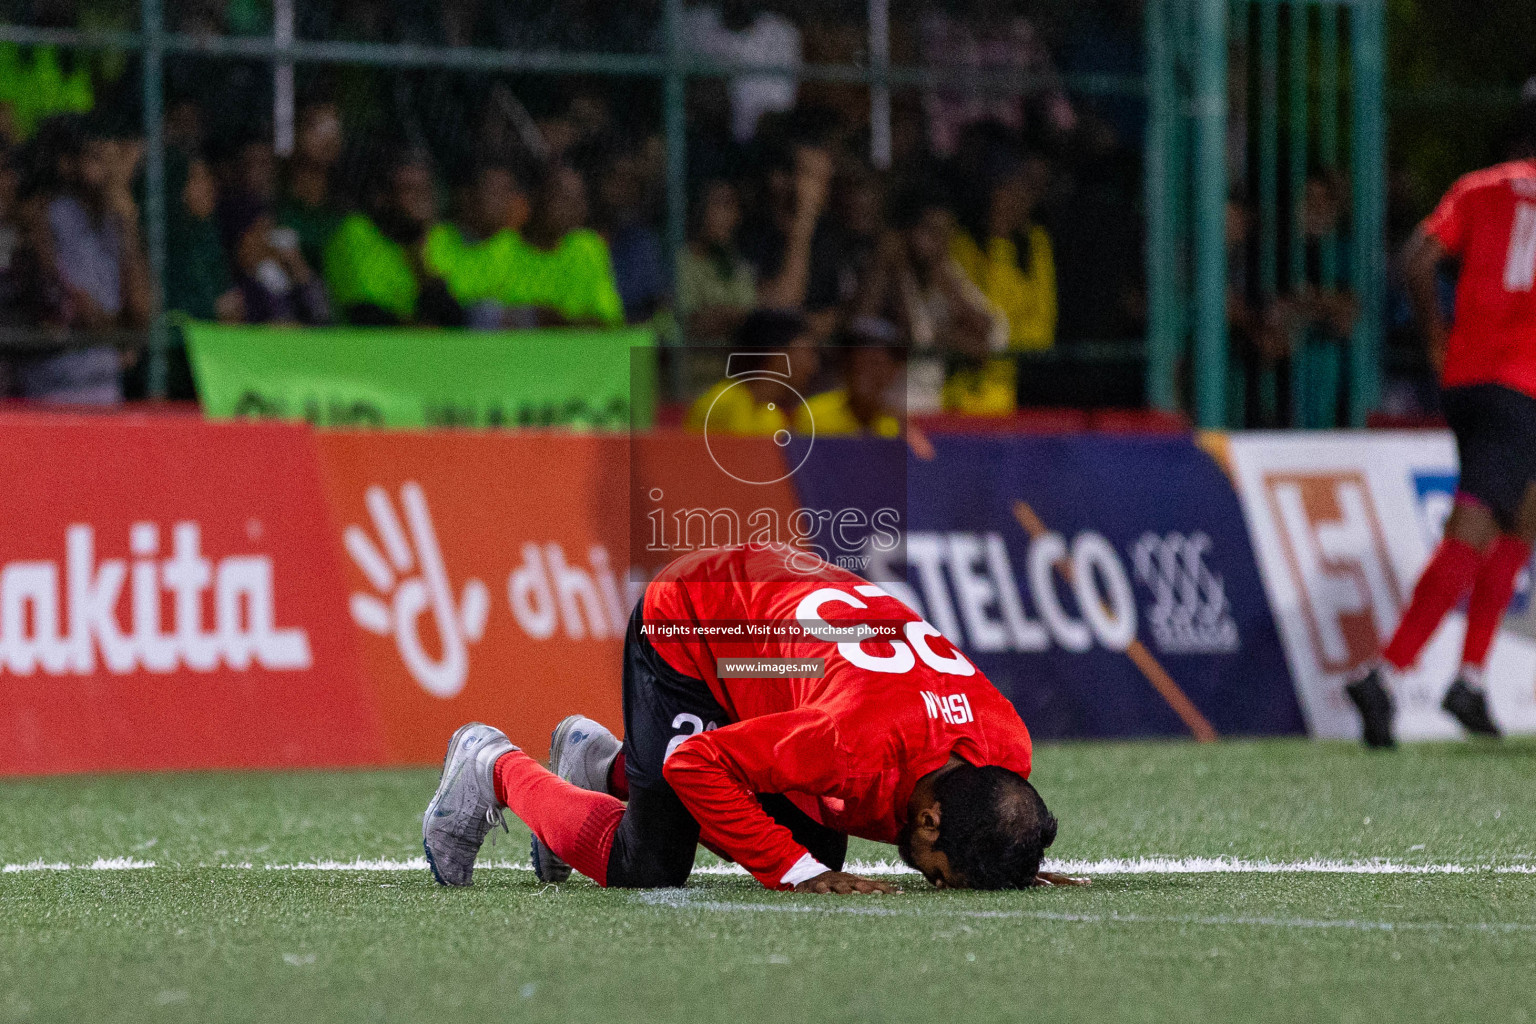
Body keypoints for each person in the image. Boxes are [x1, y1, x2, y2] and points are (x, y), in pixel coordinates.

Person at [423, 542, 1082, 893]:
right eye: (939, 874)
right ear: (933, 820)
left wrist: (1006, 860)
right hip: (699, 623)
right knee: (649, 864)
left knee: (818, 840)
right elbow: (695, 764)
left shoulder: (1005, 750)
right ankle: (491, 765)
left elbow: (980, 814)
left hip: (775, 639)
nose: (930, 882)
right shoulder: (848, 742)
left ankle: (606, 767)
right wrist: (793, 874)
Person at [1345, 100, 1536, 747]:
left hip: (1467, 376)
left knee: (1523, 517)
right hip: (1522, 387)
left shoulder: (1478, 189)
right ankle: (1385, 674)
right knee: (1476, 525)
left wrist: (1435, 335)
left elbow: (1418, 259)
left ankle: (1472, 679)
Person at [20, 117, 150, 404]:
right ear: (68, 164)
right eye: (97, 157)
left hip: (105, 387)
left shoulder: (115, 218)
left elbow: (142, 312)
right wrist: (121, 334)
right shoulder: (49, 216)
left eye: (113, 156)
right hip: (54, 389)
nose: (110, 168)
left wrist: (128, 222)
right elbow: (82, 311)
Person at [857, 188, 1008, 414]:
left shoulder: (945, 274)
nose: (940, 241)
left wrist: (951, 294)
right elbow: (914, 335)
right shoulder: (883, 272)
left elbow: (996, 334)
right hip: (882, 409)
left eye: (946, 233)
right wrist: (893, 267)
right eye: (931, 231)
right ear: (907, 232)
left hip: (929, 407)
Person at [948, 148, 1057, 414]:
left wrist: (1002, 337)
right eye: (1004, 190)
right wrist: (998, 240)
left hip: (1014, 393)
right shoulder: (960, 246)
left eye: (1021, 189)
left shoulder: (1037, 242)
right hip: (961, 392)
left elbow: (1042, 334)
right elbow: (986, 316)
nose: (1015, 199)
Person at [323, 147, 462, 326]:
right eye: (409, 190)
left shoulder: (439, 236)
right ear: (382, 198)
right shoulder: (356, 233)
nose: (420, 200)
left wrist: (421, 262)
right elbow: (366, 316)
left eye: (425, 190)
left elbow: (455, 319)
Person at [495, 163, 624, 327]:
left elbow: (610, 320)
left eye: (579, 199)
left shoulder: (588, 247)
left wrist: (558, 320)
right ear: (537, 197)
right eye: (563, 198)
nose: (574, 207)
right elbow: (489, 321)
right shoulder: (502, 248)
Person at [685, 308, 819, 436]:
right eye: (807, 351)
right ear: (777, 355)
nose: (813, 365)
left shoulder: (771, 416)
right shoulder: (724, 402)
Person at [675, 178, 756, 344]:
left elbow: (751, 314)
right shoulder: (681, 261)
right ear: (699, 208)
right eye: (721, 205)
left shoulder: (735, 263)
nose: (731, 216)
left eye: (734, 207)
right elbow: (690, 324)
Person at [792, 318, 903, 437]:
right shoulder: (813, 415)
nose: (864, 371)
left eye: (875, 363)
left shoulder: (898, 425)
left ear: (893, 371)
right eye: (856, 361)